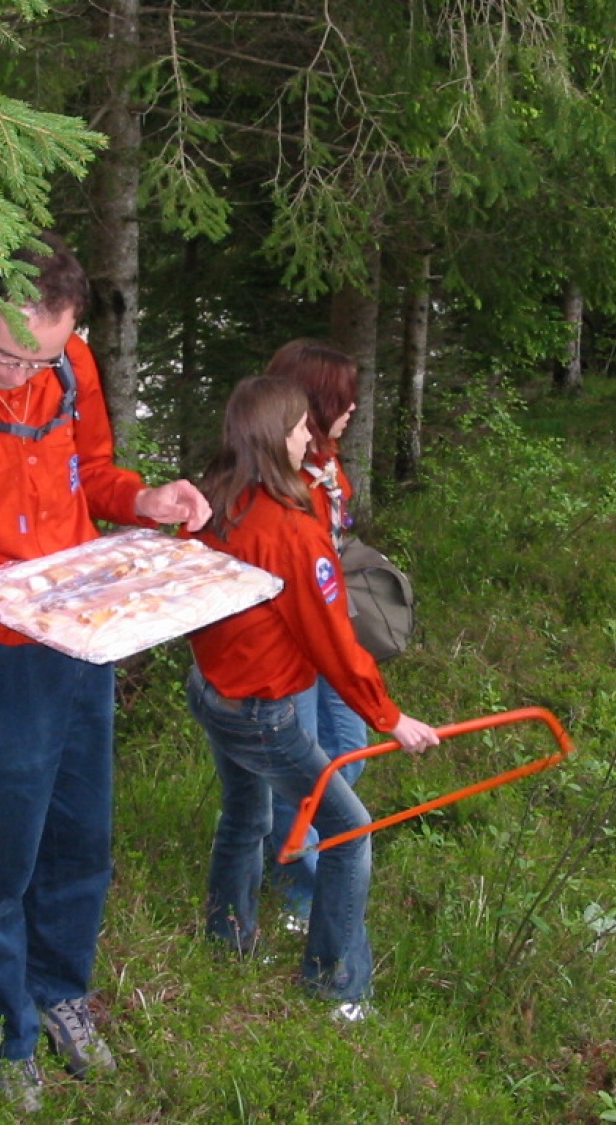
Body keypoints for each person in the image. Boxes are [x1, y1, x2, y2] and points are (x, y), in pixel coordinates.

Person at [0, 232, 210, 1109]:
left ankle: (62, 994)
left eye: (41, 357)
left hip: (79, 646)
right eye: (3, 353)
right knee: (1, 855)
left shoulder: (70, 367)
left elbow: (90, 473)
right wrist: (34, 611)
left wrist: (145, 502)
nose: (20, 375)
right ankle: (3, 1027)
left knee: (81, 838)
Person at [184, 375, 440, 1018]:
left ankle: (225, 943)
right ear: (275, 436)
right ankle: (337, 986)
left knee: (247, 816)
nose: (308, 437)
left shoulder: (212, 499)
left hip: (211, 690)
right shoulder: (293, 532)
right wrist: (389, 717)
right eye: (300, 427)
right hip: (262, 712)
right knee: (350, 832)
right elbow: (332, 640)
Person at [261, 340, 369, 928]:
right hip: (291, 643)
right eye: (344, 399)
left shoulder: (325, 458)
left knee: (347, 753)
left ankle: (305, 844)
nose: (353, 409)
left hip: (329, 630)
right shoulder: (273, 472)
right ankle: (296, 891)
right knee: (300, 769)